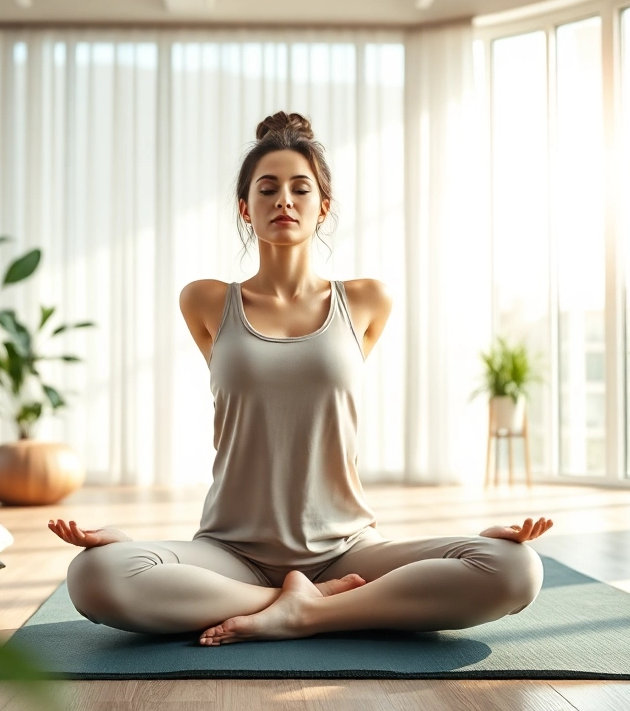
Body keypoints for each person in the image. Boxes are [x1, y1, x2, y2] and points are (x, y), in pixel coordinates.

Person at [49, 111, 550, 647]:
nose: (283, 200)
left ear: (322, 207)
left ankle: (307, 614)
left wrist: (471, 551)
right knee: (94, 576)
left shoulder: (366, 300)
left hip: (349, 548)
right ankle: (309, 602)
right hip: (230, 552)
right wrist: (137, 557)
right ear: (246, 209)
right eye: (267, 189)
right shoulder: (207, 301)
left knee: (517, 569)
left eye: (299, 189)